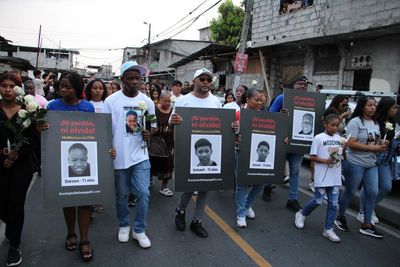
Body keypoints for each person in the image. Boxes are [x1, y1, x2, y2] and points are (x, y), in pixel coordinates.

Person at [103, 61, 155, 248]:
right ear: (122, 79)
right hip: (119, 157)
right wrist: (108, 148)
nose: (135, 82)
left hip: (140, 155)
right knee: (122, 195)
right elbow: (105, 130)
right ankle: (124, 224)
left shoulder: (147, 102)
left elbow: (153, 126)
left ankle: (139, 229)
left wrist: (150, 133)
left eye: (138, 78)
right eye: (130, 78)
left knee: (143, 193)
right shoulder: (110, 101)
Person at [47, 71, 96, 261]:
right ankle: (71, 234)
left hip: (84, 160)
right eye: (61, 87)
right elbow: (48, 134)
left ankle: (84, 240)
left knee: (84, 200)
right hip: (62, 160)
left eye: (67, 87)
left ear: (77, 89)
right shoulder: (52, 106)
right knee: (67, 200)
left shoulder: (87, 107)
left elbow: (95, 134)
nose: (63, 90)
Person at [171, 68, 224, 238]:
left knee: (204, 188)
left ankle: (197, 220)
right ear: (195, 81)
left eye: (209, 80)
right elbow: (173, 122)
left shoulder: (216, 101)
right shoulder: (183, 101)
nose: (206, 82)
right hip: (188, 151)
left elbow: (221, 124)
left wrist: (232, 127)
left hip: (209, 152)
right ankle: (180, 212)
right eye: (202, 79)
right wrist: (174, 120)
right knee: (189, 187)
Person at [0, 72, 44, 267]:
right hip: (0, 164)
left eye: (11, 86)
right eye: (3, 85)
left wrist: (17, 153)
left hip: (22, 164)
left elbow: (34, 139)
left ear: (17, 89)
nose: (7, 89)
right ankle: (11, 227)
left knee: (16, 202)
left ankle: (14, 245)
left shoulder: (28, 110)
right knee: (2, 202)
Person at [335, 96, 386, 238]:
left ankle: (367, 224)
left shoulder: (376, 123)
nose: (373, 108)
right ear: (363, 106)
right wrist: (373, 149)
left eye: (374, 105)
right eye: (370, 105)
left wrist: (381, 143)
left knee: (373, 192)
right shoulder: (355, 122)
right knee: (350, 191)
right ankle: (340, 216)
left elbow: (373, 140)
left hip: (371, 163)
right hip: (356, 162)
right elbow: (350, 143)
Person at [294, 114, 345, 243]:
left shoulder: (340, 138)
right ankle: (301, 214)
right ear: (325, 124)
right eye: (332, 125)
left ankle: (328, 229)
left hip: (335, 176)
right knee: (317, 200)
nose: (334, 128)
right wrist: (325, 161)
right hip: (322, 176)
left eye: (336, 126)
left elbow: (342, 156)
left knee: (333, 204)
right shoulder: (318, 138)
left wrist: (344, 149)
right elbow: (312, 157)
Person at [268, 75, 312, 211]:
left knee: (295, 171)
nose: (303, 86)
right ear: (293, 85)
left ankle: (292, 199)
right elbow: (270, 116)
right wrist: (281, 115)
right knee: (274, 168)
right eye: (300, 84)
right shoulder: (282, 98)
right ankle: (267, 187)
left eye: (305, 85)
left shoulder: (310, 101)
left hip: (298, 143)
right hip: (282, 141)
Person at [357, 96, 398, 225]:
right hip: (373, 158)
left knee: (386, 186)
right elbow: (369, 139)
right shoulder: (375, 122)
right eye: (394, 107)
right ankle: (363, 212)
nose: (396, 110)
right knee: (370, 187)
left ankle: (369, 207)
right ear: (386, 108)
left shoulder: (395, 124)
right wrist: (380, 142)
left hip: (386, 159)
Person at [235, 88, 264, 228]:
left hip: (257, 154)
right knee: (242, 184)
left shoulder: (265, 116)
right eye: (256, 100)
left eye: (261, 100)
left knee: (260, 182)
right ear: (247, 99)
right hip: (241, 152)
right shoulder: (238, 115)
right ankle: (240, 213)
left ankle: (246, 205)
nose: (260, 102)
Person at [150, 91, 174, 197]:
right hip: (155, 141)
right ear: (160, 100)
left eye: (169, 101)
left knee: (168, 164)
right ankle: (149, 181)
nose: (167, 103)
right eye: (165, 101)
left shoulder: (173, 111)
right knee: (151, 162)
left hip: (169, 142)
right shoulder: (153, 109)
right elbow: (148, 120)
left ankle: (164, 187)